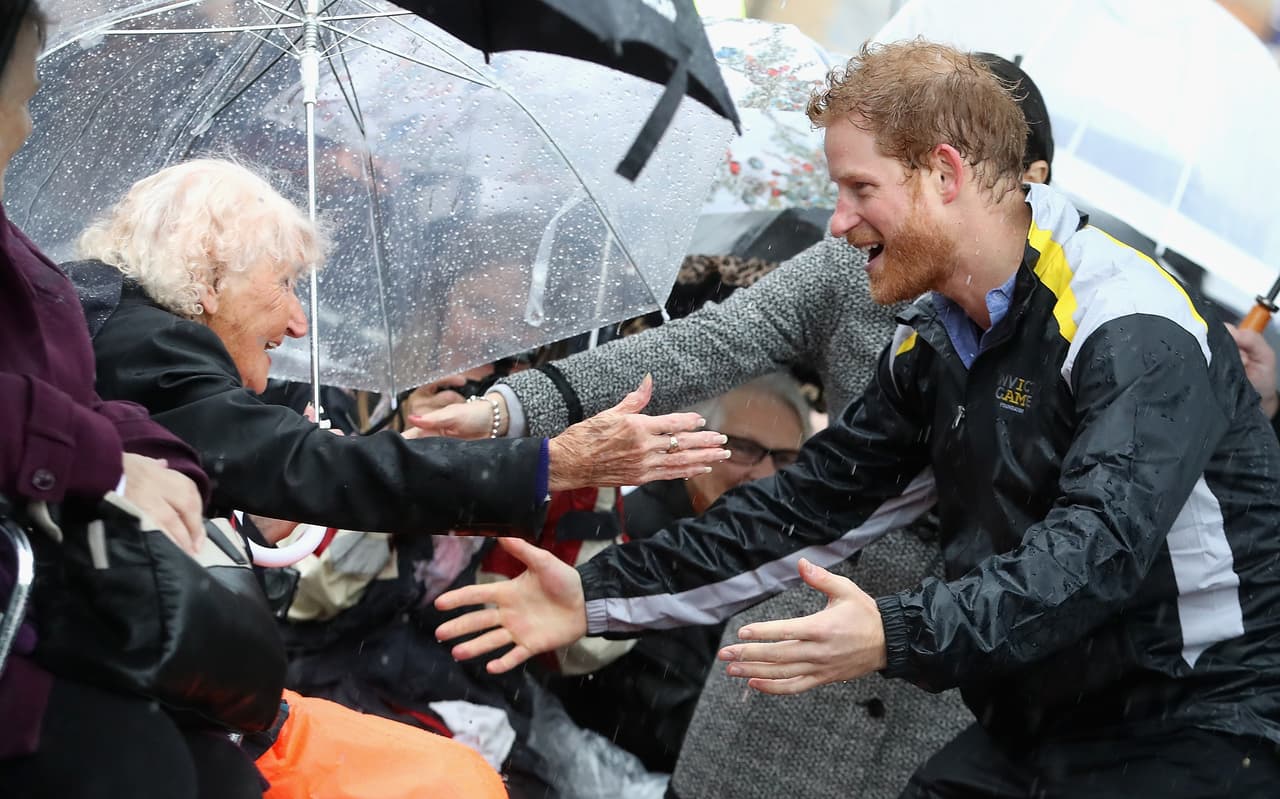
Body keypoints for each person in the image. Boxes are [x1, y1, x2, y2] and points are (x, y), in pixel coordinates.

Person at [434, 41, 1280, 797]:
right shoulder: (936, 337)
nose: (837, 223)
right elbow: (807, 506)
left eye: (859, 189)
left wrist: (895, 629)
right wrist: (599, 594)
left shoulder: (1128, 320)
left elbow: (1096, 552)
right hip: (1037, 718)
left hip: (1199, 719)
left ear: (946, 174)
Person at [66, 158, 729, 539]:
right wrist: (550, 464)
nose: (299, 323)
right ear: (211, 280)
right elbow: (313, 468)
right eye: (285, 283)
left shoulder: (126, 328)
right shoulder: (155, 347)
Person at [0, 3, 264, 796]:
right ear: (210, 275)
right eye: (20, 99)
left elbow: (79, 401)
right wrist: (523, 460)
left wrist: (153, 458)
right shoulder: (159, 339)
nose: (25, 131)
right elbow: (283, 457)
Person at [550, 373, 811, 773]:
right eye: (742, 449)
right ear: (690, 442)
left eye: (785, 459)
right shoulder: (646, 535)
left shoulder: (760, 542)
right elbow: (664, 713)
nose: (763, 474)